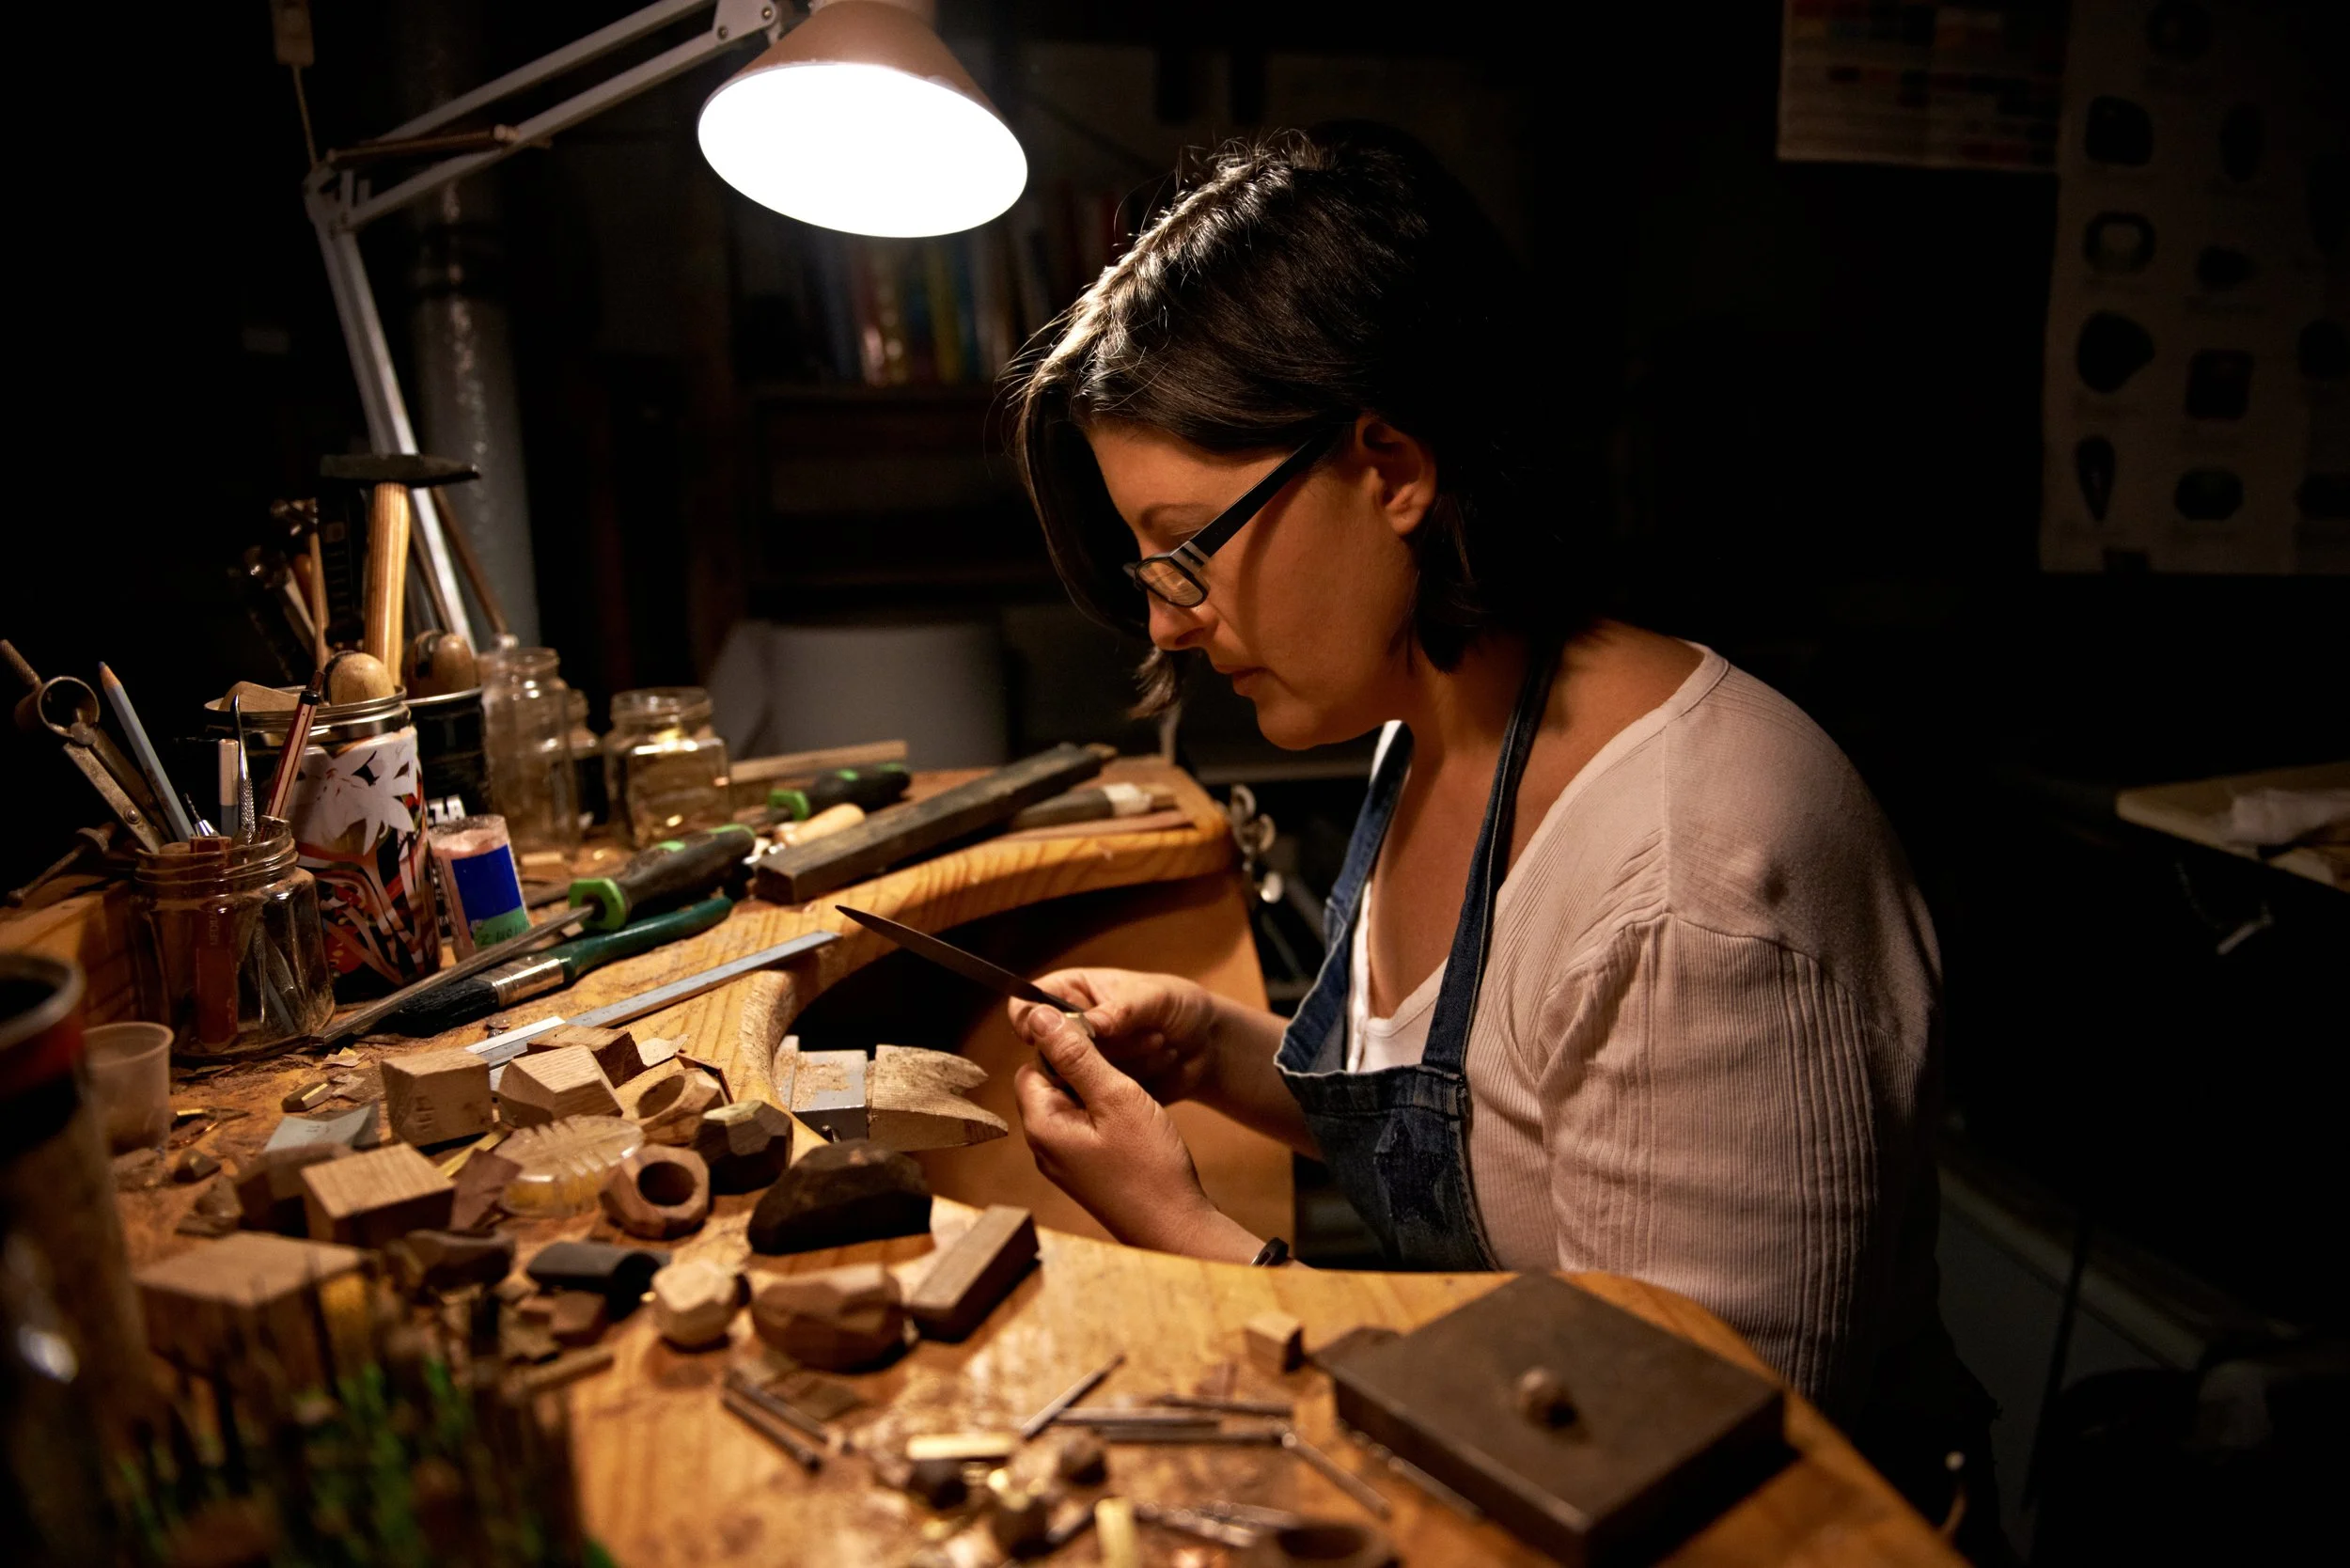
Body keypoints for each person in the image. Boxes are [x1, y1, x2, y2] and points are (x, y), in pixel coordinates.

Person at [1003, 123, 1999, 1544]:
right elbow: (1507, 1130)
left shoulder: (1690, 882)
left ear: (1393, 467)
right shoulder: (1443, 725)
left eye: (1189, 549)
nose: (1167, 618)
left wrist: (1193, 1235)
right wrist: (1221, 1057)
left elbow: (1670, 1484)